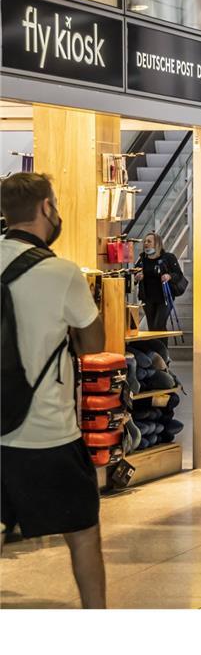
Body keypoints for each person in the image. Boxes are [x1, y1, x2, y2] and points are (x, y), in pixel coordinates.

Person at [1, 173, 107, 608]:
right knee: (82, 533)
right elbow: (94, 344)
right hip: (45, 430)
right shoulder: (62, 272)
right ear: (46, 207)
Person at [133, 232, 184, 332]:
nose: (146, 243)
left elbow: (178, 275)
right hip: (147, 299)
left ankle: (161, 348)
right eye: (145, 242)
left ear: (157, 243)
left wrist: (169, 276)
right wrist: (136, 277)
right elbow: (134, 275)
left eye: (149, 241)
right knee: (152, 328)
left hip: (164, 297)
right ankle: (159, 348)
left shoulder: (168, 258)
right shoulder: (142, 259)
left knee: (158, 326)